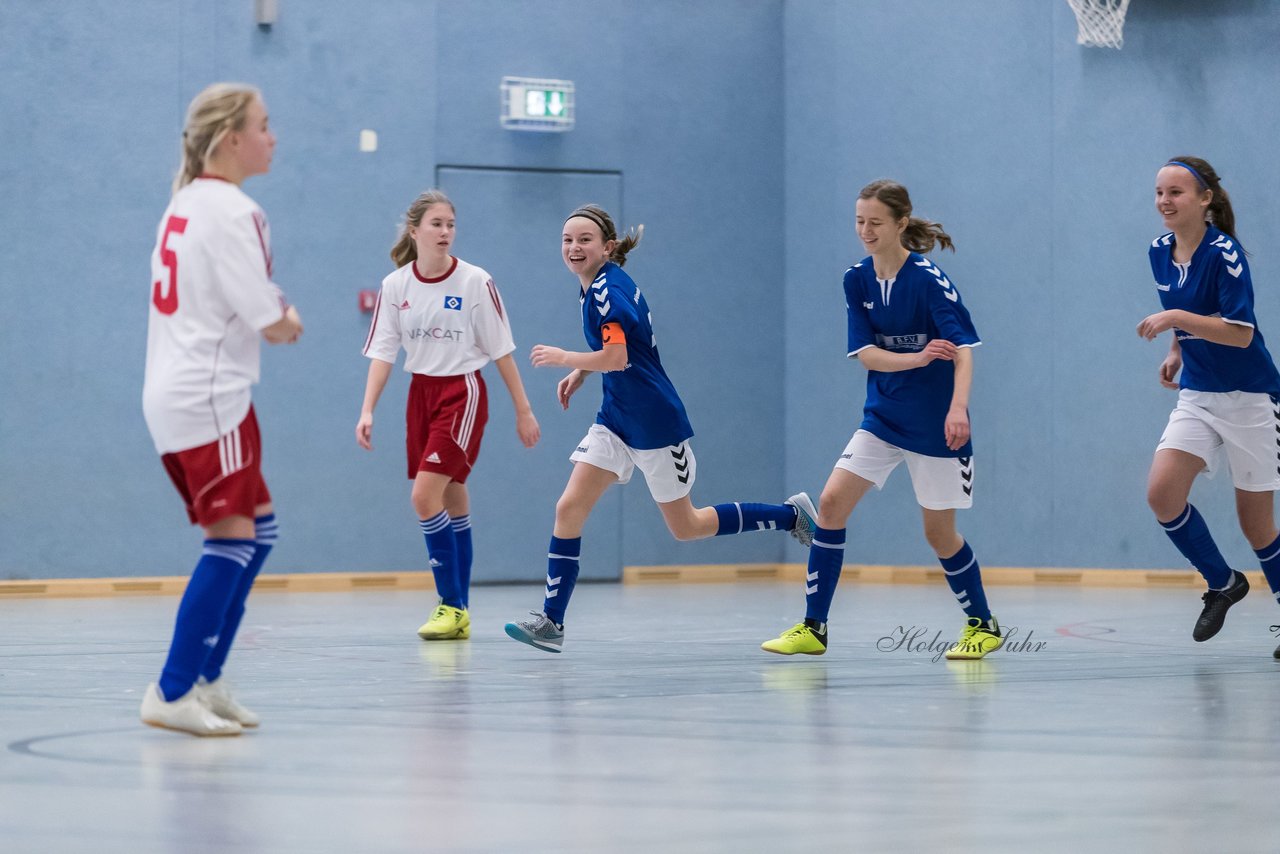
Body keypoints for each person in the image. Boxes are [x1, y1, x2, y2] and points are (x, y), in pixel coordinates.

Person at [504, 204, 817, 653]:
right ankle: (552, 621)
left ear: (606, 247)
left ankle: (792, 515)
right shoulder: (596, 285)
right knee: (568, 507)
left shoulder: (606, 292)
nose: (574, 247)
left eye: (584, 239)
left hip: (653, 420)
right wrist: (583, 374)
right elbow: (618, 352)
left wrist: (566, 358)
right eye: (567, 239)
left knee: (686, 526)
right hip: (616, 417)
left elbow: (618, 357)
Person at [760, 179, 1001, 660]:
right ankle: (813, 627)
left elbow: (965, 353)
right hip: (883, 418)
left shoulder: (929, 280)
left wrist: (957, 408)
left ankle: (983, 624)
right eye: (859, 222)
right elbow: (867, 355)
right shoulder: (857, 279)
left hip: (935, 423)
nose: (865, 231)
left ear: (900, 224)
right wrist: (914, 361)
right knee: (830, 505)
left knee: (938, 533)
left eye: (875, 223)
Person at [141, 83, 303, 736]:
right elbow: (272, 321)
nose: (273, 136)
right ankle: (173, 689)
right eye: (265, 125)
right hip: (210, 398)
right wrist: (290, 316)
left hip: (190, 393)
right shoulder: (235, 210)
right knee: (231, 540)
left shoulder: (184, 203)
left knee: (257, 533)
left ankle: (206, 680)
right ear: (231, 137)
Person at [358, 190, 541, 640]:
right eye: (436, 224)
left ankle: (450, 604)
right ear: (415, 230)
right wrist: (367, 410)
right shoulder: (395, 286)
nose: (445, 232)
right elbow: (383, 353)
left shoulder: (475, 281)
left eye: (451, 224)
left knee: (424, 497)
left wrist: (524, 409)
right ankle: (460, 609)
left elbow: (502, 351)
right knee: (453, 492)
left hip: (462, 392)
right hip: (420, 392)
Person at [1139, 156, 1280, 655]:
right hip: (1198, 394)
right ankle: (1222, 582)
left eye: (1176, 192)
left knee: (1256, 523)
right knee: (1161, 493)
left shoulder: (1226, 254)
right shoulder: (1159, 251)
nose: (1164, 201)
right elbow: (1193, 318)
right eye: (1159, 192)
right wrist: (1177, 349)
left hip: (1251, 398)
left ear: (1205, 200)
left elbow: (1240, 334)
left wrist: (1175, 317)